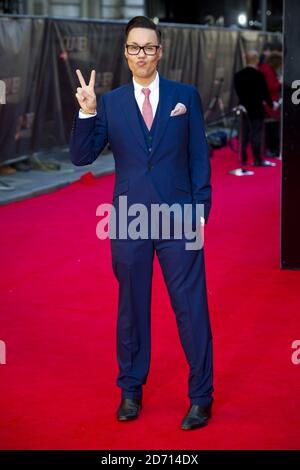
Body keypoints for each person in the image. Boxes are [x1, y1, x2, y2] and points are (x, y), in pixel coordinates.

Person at [69, 16, 213, 430]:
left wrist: (200, 211)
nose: (142, 55)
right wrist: (86, 111)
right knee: (131, 309)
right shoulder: (110, 103)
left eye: (149, 47)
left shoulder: (185, 96)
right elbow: (82, 157)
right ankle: (131, 390)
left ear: (160, 51)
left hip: (179, 218)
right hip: (130, 221)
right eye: (135, 47)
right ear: (125, 52)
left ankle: (201, 396)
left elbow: (199, 157)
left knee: (191, 309)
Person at [234, 50, 274, 166]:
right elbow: (264, 93)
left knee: (244, 132)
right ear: (256, 60)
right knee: (256, 132)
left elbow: (238, 92)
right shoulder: (259, 75)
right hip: (257, 108)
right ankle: (257, 158)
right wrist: (271, 104)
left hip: (244, 108)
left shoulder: (238, 75)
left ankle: (243, 157)